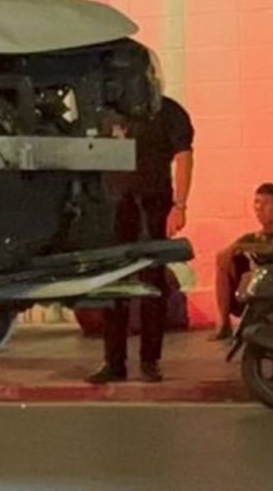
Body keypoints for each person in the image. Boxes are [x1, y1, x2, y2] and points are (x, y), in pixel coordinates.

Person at [88, 90, 194, 385]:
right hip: (114, 205)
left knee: (152, 281)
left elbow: (184, 156)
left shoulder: (167, 110)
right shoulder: (104, 110)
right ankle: (114, 362)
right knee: (113, 281)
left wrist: (180, 205)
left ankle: (149, 360)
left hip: (153, 203)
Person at [210, 183, 273, 340]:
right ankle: (224, 323)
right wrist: (231, 253)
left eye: (266, 203)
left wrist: (240, 247)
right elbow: (226, 255)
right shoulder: (249, 238)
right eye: (257, 202)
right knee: (223, 259)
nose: (260, 208)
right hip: (250, 291)